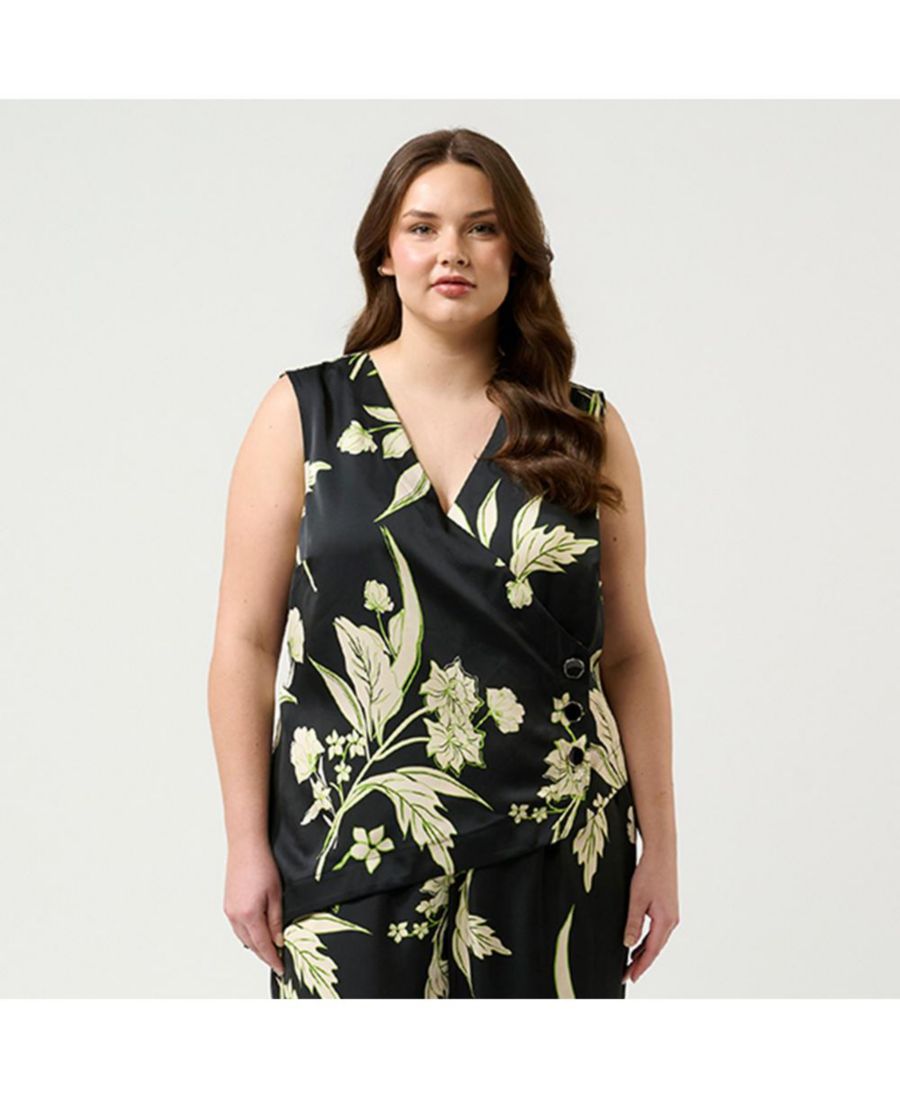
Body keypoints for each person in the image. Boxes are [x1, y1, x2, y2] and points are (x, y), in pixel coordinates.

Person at [207, 127, 679, 998]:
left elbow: (631, 651)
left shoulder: (585, 428)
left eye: (481, 227)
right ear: (384, 253)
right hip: (350, 848)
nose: (451, 251)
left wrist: (663, 846)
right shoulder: (304, 413)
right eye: (422, 227)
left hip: (556, 842)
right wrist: (245, 843)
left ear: (517, 254)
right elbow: (244, 640)